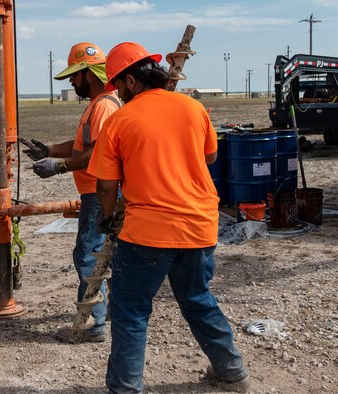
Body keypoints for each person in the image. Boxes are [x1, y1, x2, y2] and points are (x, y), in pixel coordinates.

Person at [89, 42, 250, 393]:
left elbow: (105, 184)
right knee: (197, 299)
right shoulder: (193, 107)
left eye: (117, 84)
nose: (117, 92)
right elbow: (209, 159)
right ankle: (232, 370)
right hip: (200, 227)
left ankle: (125, 388)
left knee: (130, 311)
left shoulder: (120, 120)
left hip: (148, 232)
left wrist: (106, 217)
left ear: (130, 80)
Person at [20, 42, 121, 343]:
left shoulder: (103, 105)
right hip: (100, 191)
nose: (72, 82)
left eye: (75, 76)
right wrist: (48, 150)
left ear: (89, 73)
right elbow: (82, 147)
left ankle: (93, 323)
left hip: (99, 192)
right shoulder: (100, 103)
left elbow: (96, 154)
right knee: (103, 253)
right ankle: (110, 311)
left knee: (88, 255)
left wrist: (60, 166)